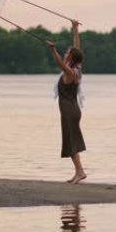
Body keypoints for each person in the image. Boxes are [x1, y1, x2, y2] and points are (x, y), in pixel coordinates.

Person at [46, 20, 86, 184]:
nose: (66, 52)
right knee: (71, 140)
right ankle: (78, 172)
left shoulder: (70, 72)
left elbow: (60, 64)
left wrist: (53, 49)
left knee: (70, 141)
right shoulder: (77, 67)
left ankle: (80, 172)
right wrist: (75, 29)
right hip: (72, 109)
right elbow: (76, 47)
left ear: (70, 57)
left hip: (69, 111)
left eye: (68, 52)